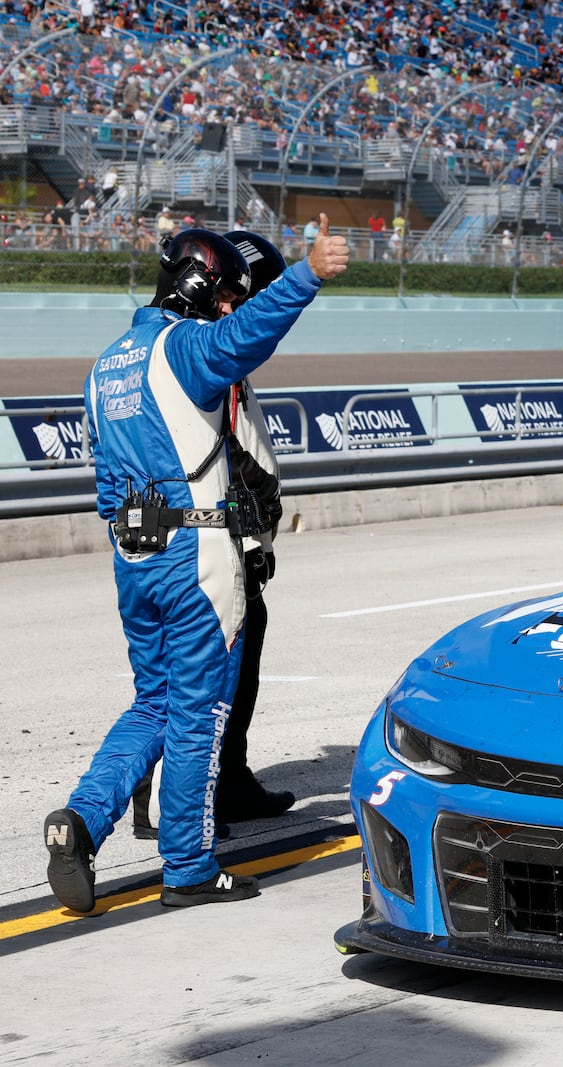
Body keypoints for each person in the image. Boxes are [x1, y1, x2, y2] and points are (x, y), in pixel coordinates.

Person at [45, 216, 349, 912]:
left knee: (151, 702)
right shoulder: (180, 349)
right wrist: (305, 275)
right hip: (197, 557)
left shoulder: (106, 364)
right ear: (194, 285)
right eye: (220, 294)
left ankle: (84, 818)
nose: (225, 308)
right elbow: (245, 336)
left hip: (133, 555)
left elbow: (102, 485)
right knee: (198, 713)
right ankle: (187, 865)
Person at [128, 229, 298, 841]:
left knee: (227, 665)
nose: (257, 305)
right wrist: (251, 534)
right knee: (204, 672)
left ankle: (226, 776)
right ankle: (170, 797)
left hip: (204, 534)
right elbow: (226, 456)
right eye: (256, 293)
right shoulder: (208, 353)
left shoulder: (210, 348)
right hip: (211, 538)